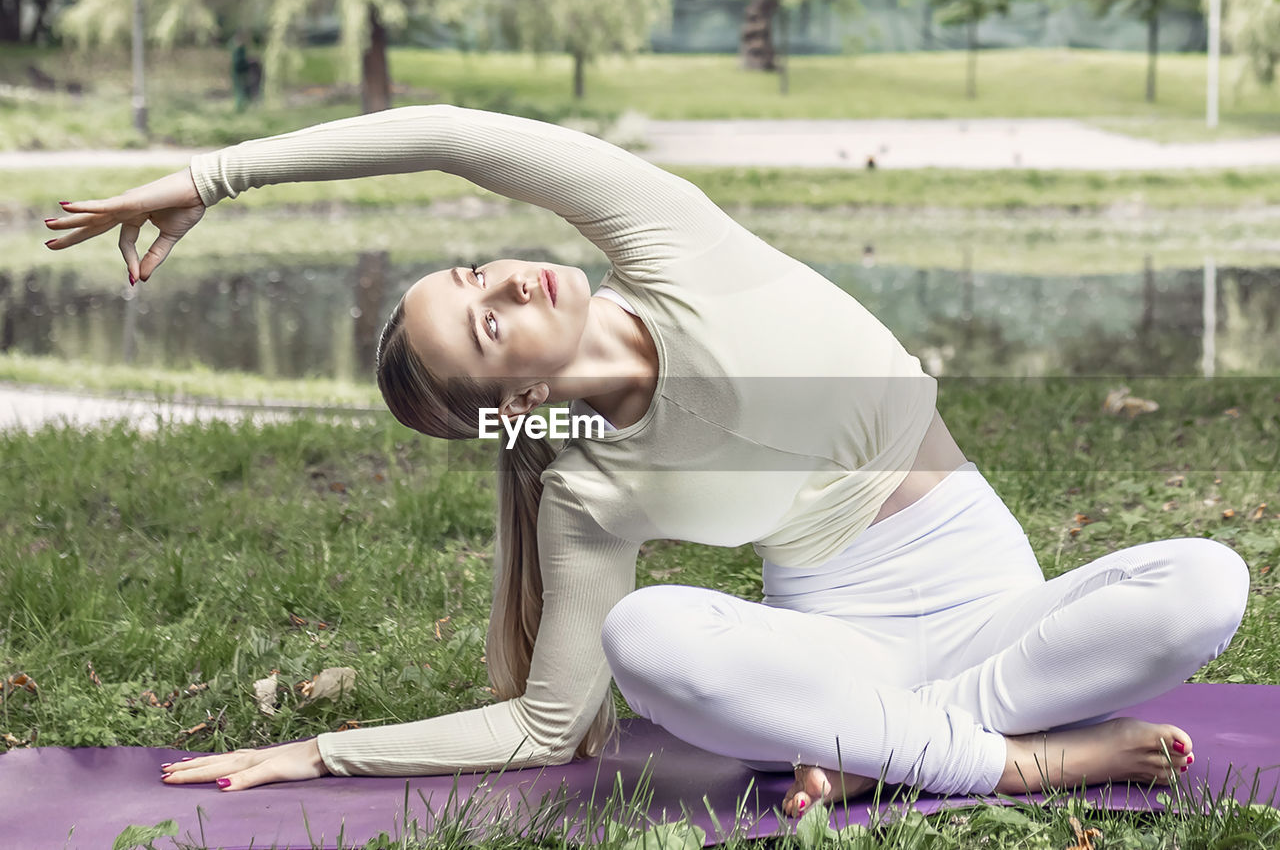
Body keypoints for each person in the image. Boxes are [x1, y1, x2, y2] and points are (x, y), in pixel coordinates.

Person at [43, 105, 1249, 816]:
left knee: (1208, 581)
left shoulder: (672, 245)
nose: (510, 279)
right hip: (836, 636)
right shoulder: (585, 485)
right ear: (515, 395)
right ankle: (1017, 761)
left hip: (989, 600)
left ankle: (889, 748)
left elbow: (452, 136)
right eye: (486, 322)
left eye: (473, 276)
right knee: (648, 639)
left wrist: (213, 175)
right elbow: (543, 726)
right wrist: (319, 751)